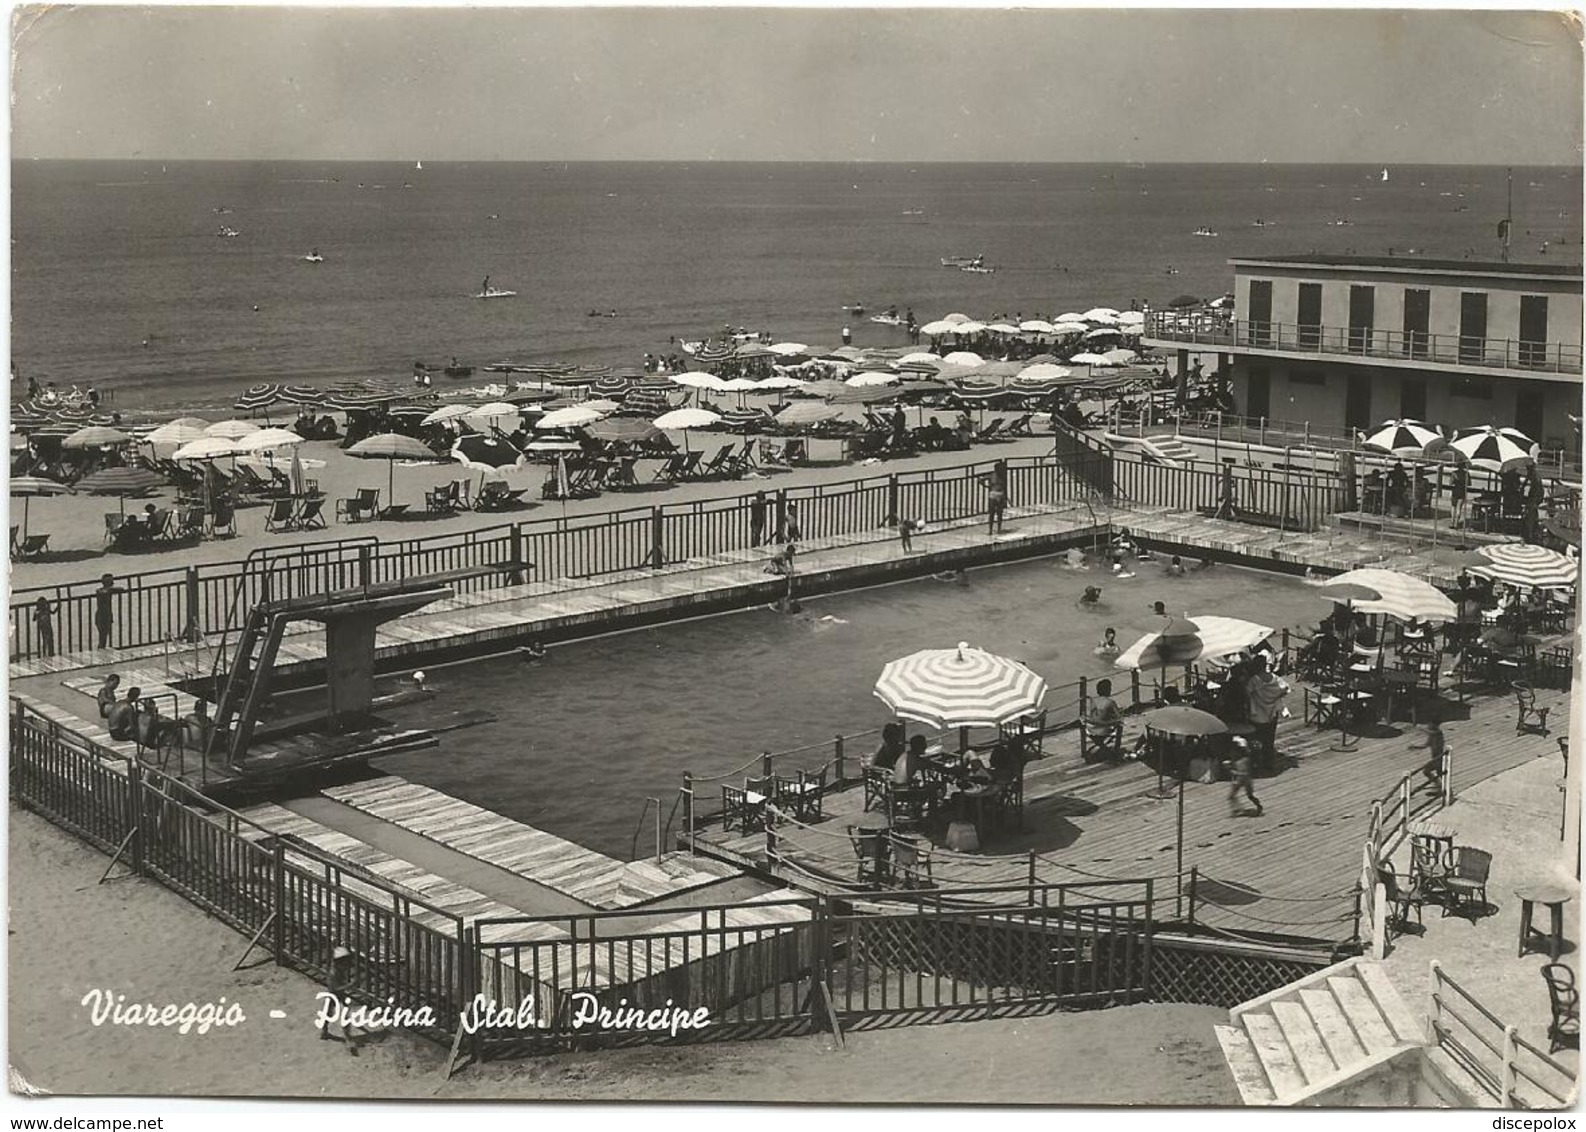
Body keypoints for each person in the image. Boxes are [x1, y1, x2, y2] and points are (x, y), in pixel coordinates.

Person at [1244, 654, 1290, 772]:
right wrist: (1275, 696)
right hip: (1271, 713)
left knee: (1255, 740)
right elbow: (1286, 688)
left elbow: (1247, 693)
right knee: (1268, 741)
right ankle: (1268, 764)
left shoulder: (1254, 680)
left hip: (1257, 714)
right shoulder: (1275, 678)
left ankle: (1255, 764)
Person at [1227, 737, 1263, 817]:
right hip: (1247, 779)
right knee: (1250, 795)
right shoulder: (1245, 759)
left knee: (1231, 796)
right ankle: (1258, 806)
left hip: (1240, 779)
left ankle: (1237, 809)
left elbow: (1242, 772)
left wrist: (1232, 771)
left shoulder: (1241, 760)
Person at [94, 574, 121, 649]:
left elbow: (121, 589)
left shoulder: (108, 590)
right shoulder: (100, 591)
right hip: (101, 615)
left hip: (107, 615)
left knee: (104, 635)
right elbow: (103, 592)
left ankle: (101, 649)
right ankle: (100, 649)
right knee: (103, 635)